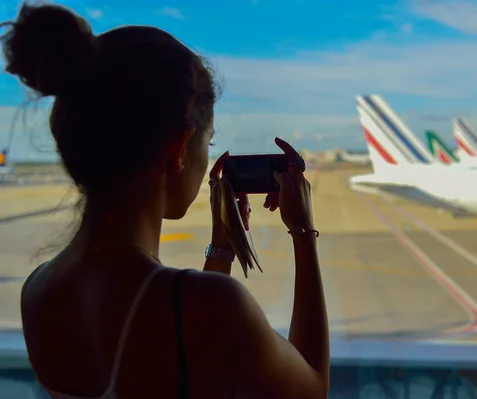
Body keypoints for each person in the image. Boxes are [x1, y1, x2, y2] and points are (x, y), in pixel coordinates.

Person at [1, 3, 329, 398]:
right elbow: (312, 386)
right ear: (178, 149)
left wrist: (222, 247)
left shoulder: (40, 290)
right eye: (207, 143)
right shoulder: (207, 305)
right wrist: (303, 232)